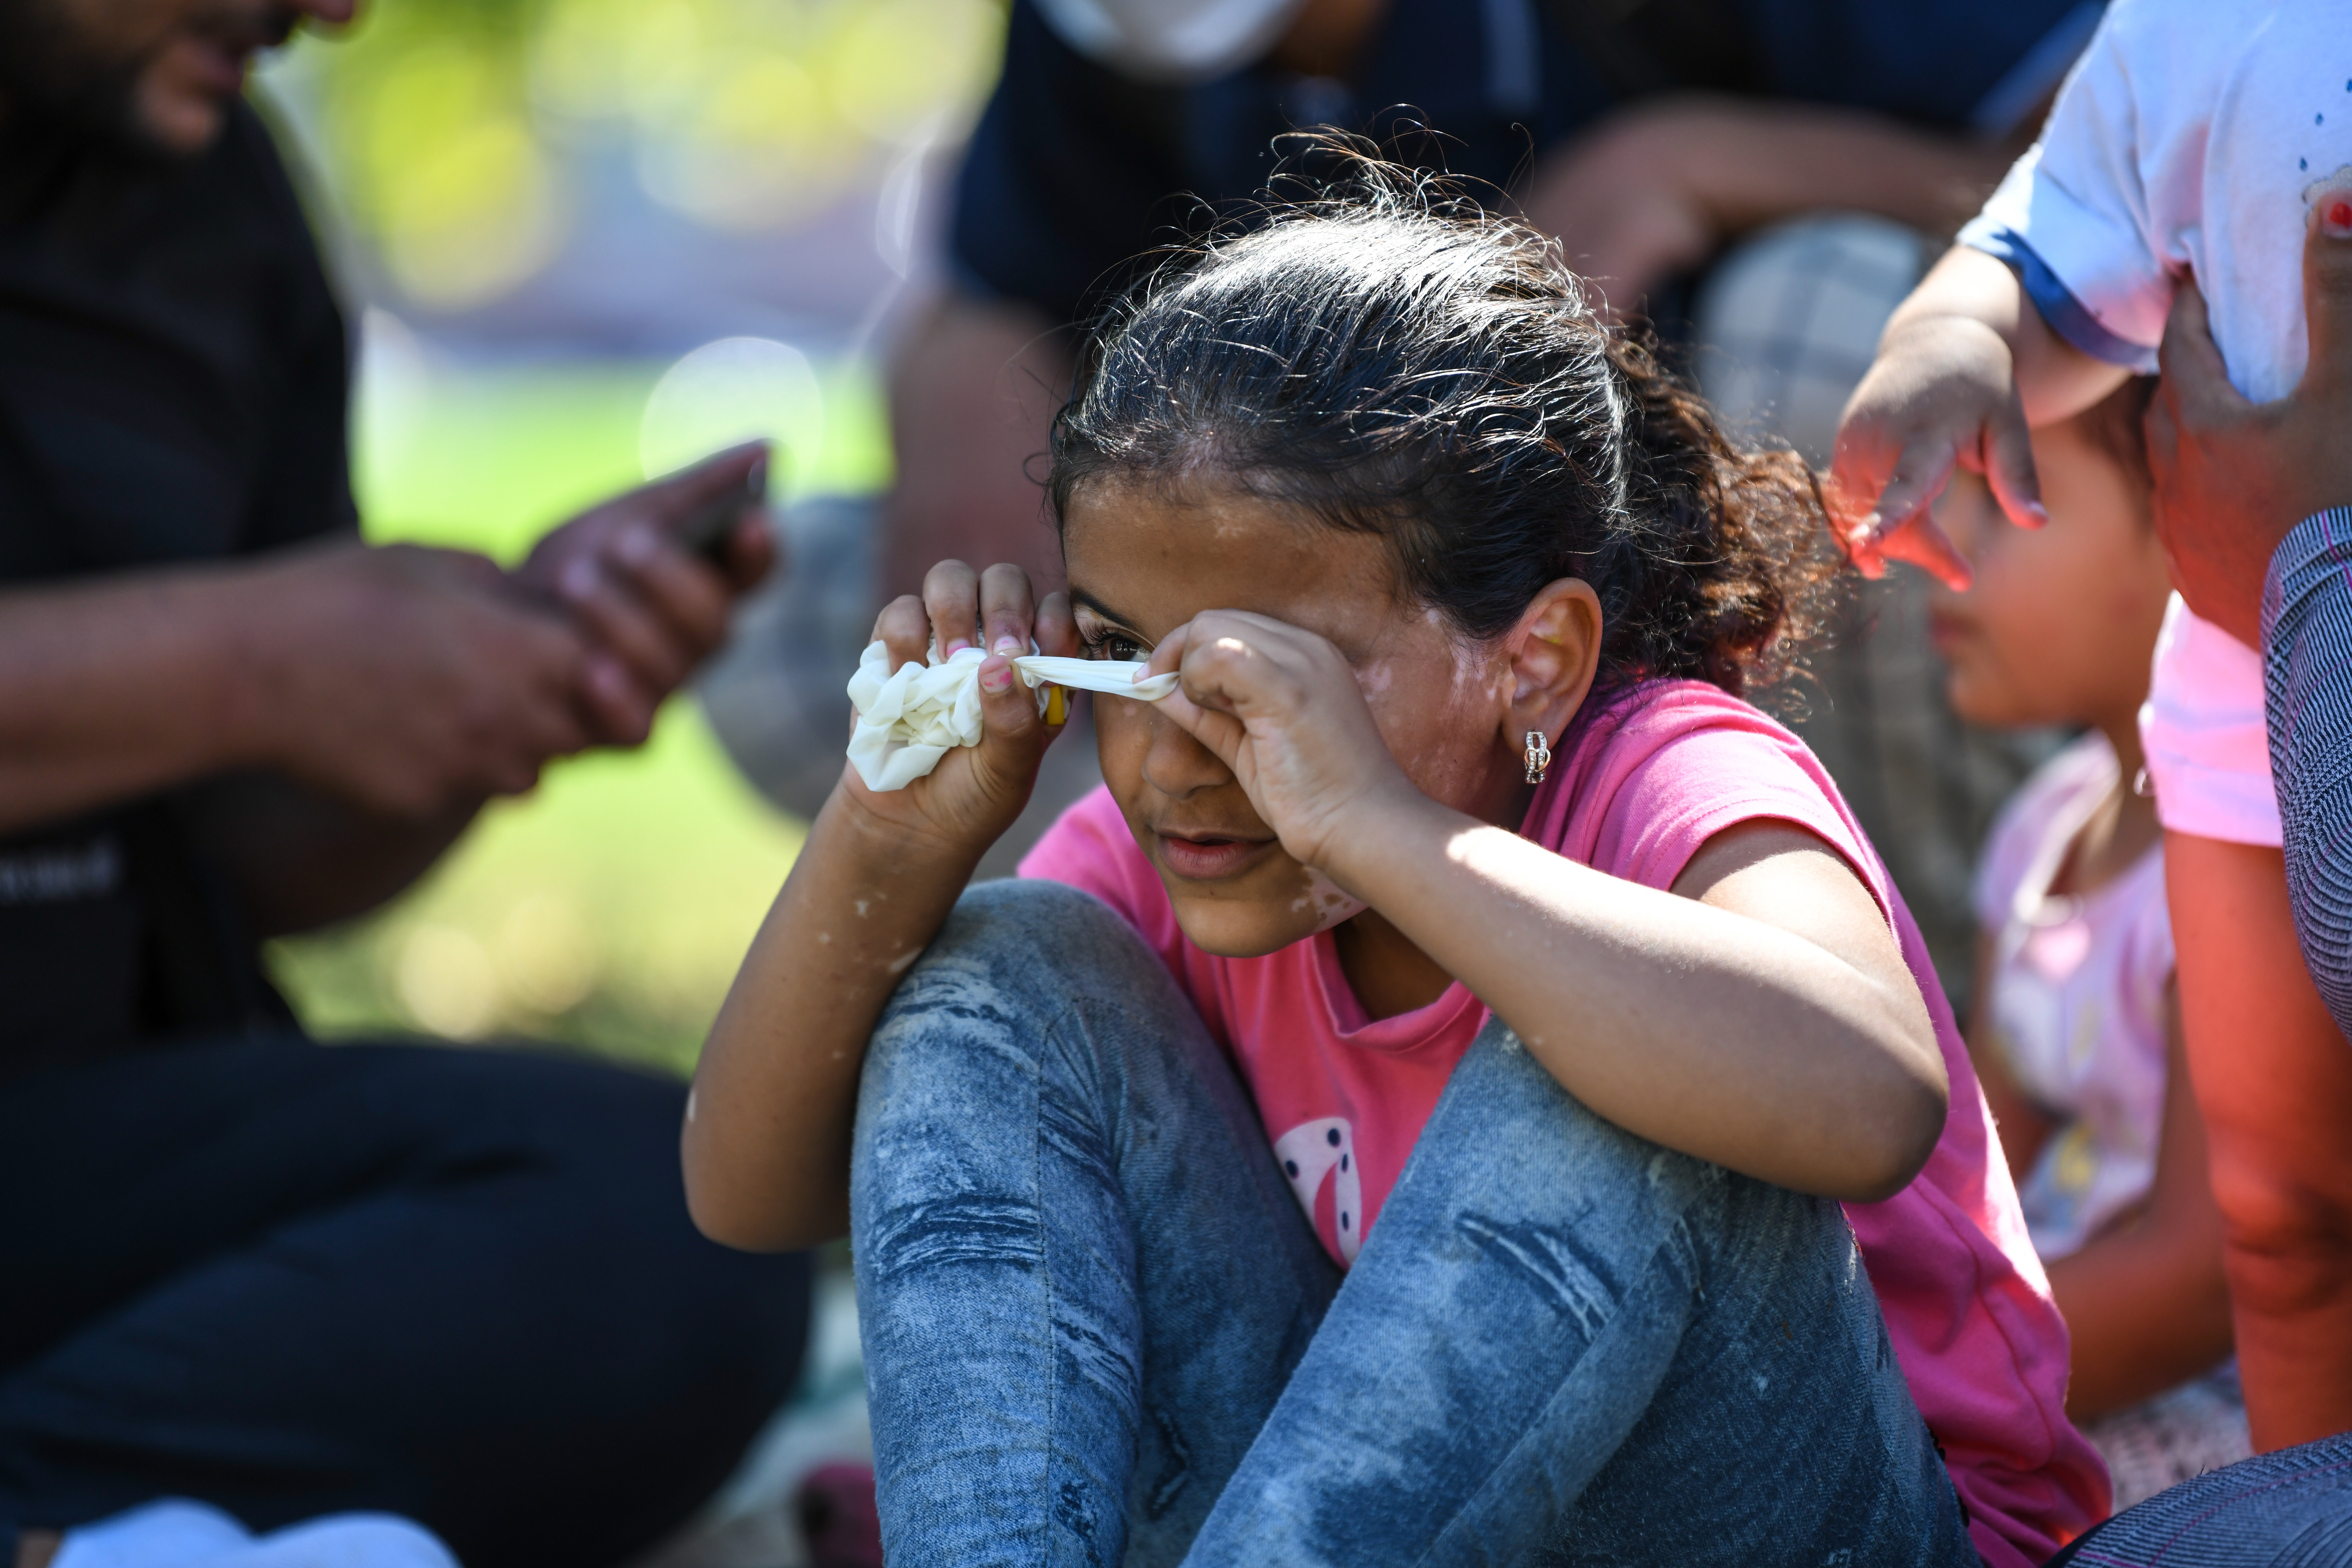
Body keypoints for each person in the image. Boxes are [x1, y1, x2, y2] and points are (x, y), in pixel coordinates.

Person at [685, 159, 2106, 1566]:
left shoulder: (1662, 776)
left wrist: (1379, 825)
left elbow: (1872, 1096)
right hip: (1363, 1514)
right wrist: (887, 836)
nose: (1181, 752)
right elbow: (749, 1191)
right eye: (1123, 656)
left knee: (1611, 1058)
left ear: (1534, 662)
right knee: (999, 962)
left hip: (1820, 1514)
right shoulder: (1176, 844)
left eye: (1270, 680)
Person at [0, 0, 810, 1563]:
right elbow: (246, 671)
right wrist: (254, 664)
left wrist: (475, 700)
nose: (335, 11)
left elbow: (256, 863)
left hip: (67, 1139)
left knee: (669, 1221)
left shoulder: (203, 191)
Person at [1827, 0, 2352, 1451]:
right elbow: (2050, 259)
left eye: (2026, 501)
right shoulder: (2203, 24)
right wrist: (1952, 336)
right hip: (2243, 702)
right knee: (2280, 1219)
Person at [1926, 378, 2242, 1507]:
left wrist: (1917, 1373)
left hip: (2189, 1417)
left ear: (2188, 526)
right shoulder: (2043, 829)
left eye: (2004, 494)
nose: (1935, 545)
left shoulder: (2240, 881)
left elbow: (2200, 1282)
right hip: (2027, 1354)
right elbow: (1976, 1162)